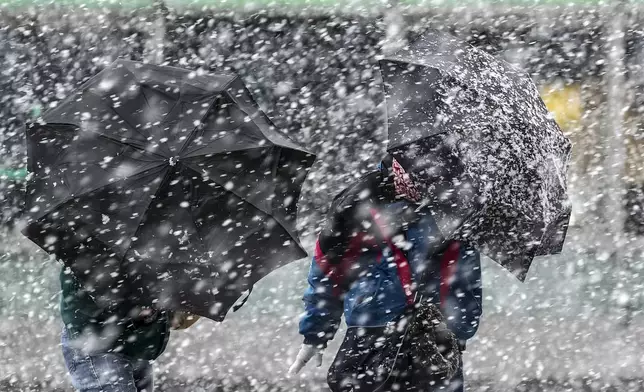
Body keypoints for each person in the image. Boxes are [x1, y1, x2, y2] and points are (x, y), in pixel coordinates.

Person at [288, 155, 482, 392]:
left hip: (431, 339)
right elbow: (328, 272)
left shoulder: (455, 206)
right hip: (372, 337)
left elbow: (465, 279)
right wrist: (315, 334)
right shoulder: (356, 203)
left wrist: (456, 331)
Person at [60, 266, 199, 392]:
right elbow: (77, 294)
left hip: (141, 346)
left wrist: (178, 312)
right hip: (100, 345)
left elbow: (175, 312)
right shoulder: (97, 246)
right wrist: (130, 309)